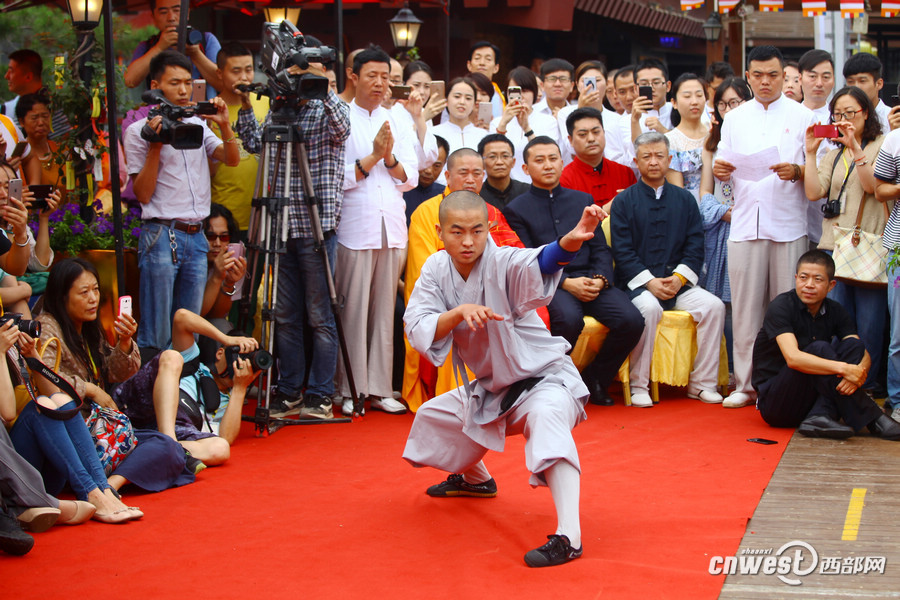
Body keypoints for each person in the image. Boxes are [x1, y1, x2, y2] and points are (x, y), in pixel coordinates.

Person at [403, 190, 604, 567]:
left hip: (544, 380)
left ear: (489, 228)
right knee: (434, 416)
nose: (468, 241)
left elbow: (540, 261)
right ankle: (477, 480)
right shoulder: (435, 268)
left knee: (546, 419)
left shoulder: (502, 261)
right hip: (493, 387)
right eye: (457, 231)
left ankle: (570, 536)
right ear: (440, 232)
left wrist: (570, 242)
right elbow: (416, 325)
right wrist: (458, 312)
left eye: (477, 231)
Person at [234, 47, 350, 421]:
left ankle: (319, 394)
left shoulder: (324, 108)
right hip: (280, 227)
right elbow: (254, 143)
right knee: (284, 315)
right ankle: (288, 391)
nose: (297, 82)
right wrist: (246, 105)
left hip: (317, 228)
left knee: (320, 316)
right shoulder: (279, 110)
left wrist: (319, 81)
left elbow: (343, 127)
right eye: (293, 74)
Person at [714, 45, 818, 409]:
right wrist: (720, 171)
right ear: (748, 76)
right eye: (757, 75)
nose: (765, 81)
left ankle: (781, 385)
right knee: (745, 311)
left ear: (785, 75)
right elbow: (723, 173)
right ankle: (745, 384)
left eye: (773, 75)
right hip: (745, 222)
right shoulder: (735, 118)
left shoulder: (803, 116)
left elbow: (819, 170)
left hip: (788, 222)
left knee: (786, 310)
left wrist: (797, 170)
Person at [505, 136, 643, 406]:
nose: (548, 165)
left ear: (562, 162)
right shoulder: (516, 209)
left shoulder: (582, 200)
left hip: (592, 279)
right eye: (539, 160)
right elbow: (527, 257)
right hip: (552, 283)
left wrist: (600, 280)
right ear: (525, 169)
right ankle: (553, 384)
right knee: (568, 320)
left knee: (631, 320)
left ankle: (596, 378)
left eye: (553, 159)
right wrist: (566, 282)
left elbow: (600, 247)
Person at [34, 257, 195, 486]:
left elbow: (116, 373)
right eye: (84, 292)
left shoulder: (86, 326)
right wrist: (90, 389)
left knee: (169, 445)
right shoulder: (47, 327)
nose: (93, 298)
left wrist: (125, 341)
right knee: (166, 449)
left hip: (104, 426)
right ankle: (114, 482)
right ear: (62, 296)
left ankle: (113, 484)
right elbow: (45, 378)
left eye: (96, 290)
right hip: (75, 433)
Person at [123, 50, 240, 358]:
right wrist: (156, 145)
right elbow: (142, 194)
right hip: (162, 233)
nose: (184, 90)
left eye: (188, 82)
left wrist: (224, 125)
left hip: (197, 234)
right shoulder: (137, 131)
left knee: (190, 328)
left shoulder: (198, 124)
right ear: (155, 86)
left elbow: (231, 159)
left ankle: (186, 386)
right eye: (175, 83)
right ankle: (153, 385)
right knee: (158, 329)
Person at [402, 148, 534, 414]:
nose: (471, 179)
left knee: (534, 312)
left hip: (495, 298)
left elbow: (514, 254)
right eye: (464, 173)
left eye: (477, 173)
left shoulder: (490, 212)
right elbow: (421, 269)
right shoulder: (427, 212)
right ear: (448, 176)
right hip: (447, 301)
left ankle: (514, 390)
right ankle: (457, 402)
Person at [612, 132, 726, 408]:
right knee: (649, 309)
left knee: (714, 306)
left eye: (659, 156)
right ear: (636, 161)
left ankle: (702, 384)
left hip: (678, 283)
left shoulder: (685, 199)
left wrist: (679, 278)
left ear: (670, 159)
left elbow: (695, 244)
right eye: (647, 156)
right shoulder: (624, 201)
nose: (653, 162)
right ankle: (639, 385)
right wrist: (650, 282)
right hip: (638, 285)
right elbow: (622, 250)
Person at [335, 47, 417, 415]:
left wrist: (389, 158)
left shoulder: (397, 118)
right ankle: (349, 388)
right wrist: (372, 157)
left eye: (385, 76)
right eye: (372, 75)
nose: (380, 83)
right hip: (354, 224)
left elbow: (410, 176)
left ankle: (381, 388)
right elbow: (335, 178)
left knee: (384, 310)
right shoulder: (340, 117)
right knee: (352, 310)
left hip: (391, 224)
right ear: (353, 76)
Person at [751, 250, 900, 440]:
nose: (809, 285)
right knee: (819, 349)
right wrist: (845, 369)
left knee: (853, 346)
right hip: (777, 404)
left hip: (811, 400)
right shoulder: (781, 306)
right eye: (803, 278)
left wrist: (857, 373)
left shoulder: (835, 310)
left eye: (818, 279)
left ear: (831, 285)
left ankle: (820, 416)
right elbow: (793, 358)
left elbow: (861, 352)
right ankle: (874, 417)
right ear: (796, 279)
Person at [804, 86, 887, 399]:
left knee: (870, 323)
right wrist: (810, 153)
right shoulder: (833, 153)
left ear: (866, 113)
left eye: (850, 113)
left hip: (868, 245)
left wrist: (854, 146)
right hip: (834, 247)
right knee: (838, 322)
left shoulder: (882, 144)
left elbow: (872, 188)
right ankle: (838, 385)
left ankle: (867, 385)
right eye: (838, 114)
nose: (844, 120)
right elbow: (814, 192)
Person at [112, 308, 258, 466]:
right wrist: (227, 339)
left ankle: (151, 448)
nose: (244, 364)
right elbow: (182, 317)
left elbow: (226, 437)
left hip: (171, 430)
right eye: (240, 355)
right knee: (172, 356)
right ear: (220, 353)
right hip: (140, 406)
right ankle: (168, 444)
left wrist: (240, 389)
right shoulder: (192, 359)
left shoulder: (230, 403)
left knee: (220, 448)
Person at [698, 78, 753, 369]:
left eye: (734, 102)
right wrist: (722, 212)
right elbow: (705, 191)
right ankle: (728, 367)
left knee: (751, 300)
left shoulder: (757, 137)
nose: (728, 109)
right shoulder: (712, 144)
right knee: (724, 301)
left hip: (753, 223)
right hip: (723, 226)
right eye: (722, 104)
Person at [209, 41, 268, 233]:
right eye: (236, 71)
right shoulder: (211, 111)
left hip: (263, 213)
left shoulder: (266, 103)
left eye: (248, 70)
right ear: (220, 73)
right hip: (224, 216)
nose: (243, 77)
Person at [124, 0, 222, 97]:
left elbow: (223, 83)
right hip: (160, 107)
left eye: (176, 10)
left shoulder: (206, 40)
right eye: (163, 12)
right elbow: (129, 81)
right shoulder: (147, 46)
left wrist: (196, 54)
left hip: (202, 107)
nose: (171, 18)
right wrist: (159, 48)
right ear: (153, 16)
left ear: (187, 13)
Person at [490, 67, 560, 184]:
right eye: (515, 91)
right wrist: (503, 124)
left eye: (526, 91)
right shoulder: (497, 123)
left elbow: (545, 155)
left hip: (538, 185)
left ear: (534, 93)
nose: (521, 96)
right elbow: (491, 156)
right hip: (506, 186)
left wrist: (527, 129)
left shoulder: (548, 121)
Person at [873, 123, 900, 421]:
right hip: (899, 247)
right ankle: (898, 400)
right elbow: (880, 190)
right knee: (899, 333)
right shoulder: (895, 139)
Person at [559, 107, 635, 211]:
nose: (591, 139)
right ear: (570, 140)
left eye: (596, 132)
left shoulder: (625, 173)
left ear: (604, 133)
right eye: (583, 134)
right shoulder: (564, 180)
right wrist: (608, 208)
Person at [799, 49, 837, 247]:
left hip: (829, 218)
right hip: (792, 220)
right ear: (800, 78)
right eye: (812, 76)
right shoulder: (789, 115)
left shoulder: (839, 118)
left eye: (826, 77)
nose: (819, 83)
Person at [557, 60, 626, 166]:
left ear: (607, 84)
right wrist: (581, 110)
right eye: (585, 81)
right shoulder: (565, 113)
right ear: (577, 85)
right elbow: (572, 148)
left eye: (597, 80)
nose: (591, 85)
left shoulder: (617, 119)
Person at [3, 49, 70, 140]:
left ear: (28, 77)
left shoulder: (55, 106)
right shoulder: (6, 110)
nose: (6, 76)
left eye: (11, 71)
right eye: (34, 118)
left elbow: (64, 142)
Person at [431, 77, 488, 182]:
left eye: (468, 98)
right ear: (446, 100)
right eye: (457, 97)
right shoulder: (433, 133)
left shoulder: (484, 136)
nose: (462, 102)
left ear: (474, 104)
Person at [664, 74, 709, 204]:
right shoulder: (670, 140)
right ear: (674, 103)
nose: (694, 101)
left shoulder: (715, 134)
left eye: (699, 95)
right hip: (688, 207)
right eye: (687, 96)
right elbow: (677, 190)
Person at [201, 203, 246, 323]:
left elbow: (217, 316)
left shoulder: (234, 261)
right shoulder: (190, 261)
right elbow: (195, 315)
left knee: (221, 325)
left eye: (224, 237)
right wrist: (216, 277)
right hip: (182, 325)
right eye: (210, 236)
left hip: (210, 325)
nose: (217, 243)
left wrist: (229, 282)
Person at [17, 93, 64, 198]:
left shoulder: (62, 151)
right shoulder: (20, 156)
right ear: (21, 122)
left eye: (45, 116)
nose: (41, 122)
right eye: (34, 118)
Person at [843, 53, 894, 134]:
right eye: (850, 81)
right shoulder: (841, 118)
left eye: (862, 81)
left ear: (879, 84)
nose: (856, 87)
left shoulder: (892, 118)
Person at [477, 133, 530, 210]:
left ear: (513, 162)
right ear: (481, 163)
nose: (499, 162)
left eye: (505, 156)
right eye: (492, 156)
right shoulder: (477, 197)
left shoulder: (527, 192)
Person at [404, 135, 448, 224]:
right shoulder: (399, 192)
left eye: (436, 166)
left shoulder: (446, 195)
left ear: (444, 165)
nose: (428, 170)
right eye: (425, 163)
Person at [466, 41, 505, 118]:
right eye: (477, 58)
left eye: (488, 59)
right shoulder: (458, 91)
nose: (482, 63)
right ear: (469, 65)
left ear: (496, 68)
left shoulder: (500, 96)